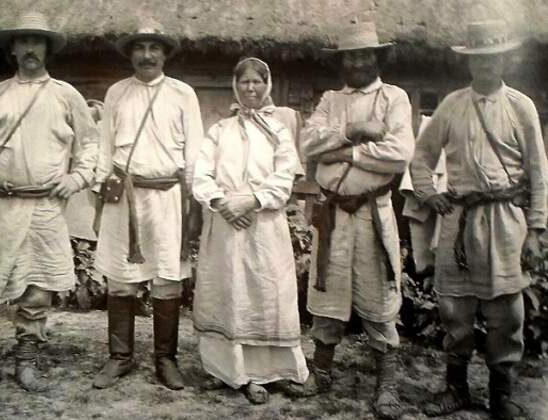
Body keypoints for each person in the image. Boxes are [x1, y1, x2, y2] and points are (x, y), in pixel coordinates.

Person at [0, 11, 98, 392]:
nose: (31, 48)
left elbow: (91, 146)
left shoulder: (65, 95)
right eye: (24, 41)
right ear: (12, 48)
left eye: (38, 41)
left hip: (43, 208)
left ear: (47, 48)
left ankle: (26, 362)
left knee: (36, 291)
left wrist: (76, 178)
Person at [410, 20, 547, 420]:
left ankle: (501, 395)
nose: (486, 65)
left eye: (494, 58)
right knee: (455, 308)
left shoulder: (521, 107)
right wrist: (429, 194)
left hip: (505, 220)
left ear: (505, 60)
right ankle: (456, 388)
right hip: (459, 220)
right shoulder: (452, 105)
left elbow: (538, 173)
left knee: (507, 311)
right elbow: (421, 158)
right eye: (478, 59)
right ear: (469, 62)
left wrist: (536, 230)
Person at [299, 18, 414, 419]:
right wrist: (354, 129)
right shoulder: (331, 100)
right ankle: (322, 371)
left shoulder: (394, 98)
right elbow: (308, 143)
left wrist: (345, 152)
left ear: (378, 58)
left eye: (365, 55)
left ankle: (387, 383)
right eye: (351, 57)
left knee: (378, 292)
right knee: (327, 291)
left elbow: (399, 154)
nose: (358, 63)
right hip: (333, 213)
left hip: (372, 212)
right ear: (342, 61)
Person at [92, 25, 204, 390]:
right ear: (130, 54)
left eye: (154, 47)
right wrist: (99, 201)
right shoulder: (117, 92)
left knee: (167, 278)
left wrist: (194, 203)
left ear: (165, 54)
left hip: (168, 198)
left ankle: (165, 359)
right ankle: (119, 357)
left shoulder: (183, 93)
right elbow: (104, 150)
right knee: (120, 278)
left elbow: (195, 152)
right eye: (139, 47)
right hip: (124, 197)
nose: (146, 55)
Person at [191, 57, 308, 404]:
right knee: (228, 294)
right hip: (224, 225)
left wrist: (253, 201)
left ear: (267, 84)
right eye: (245, 82)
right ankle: (228, 371)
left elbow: (285, 177)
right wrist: (221, 202)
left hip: (264, 225)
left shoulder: (279, 131)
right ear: (235, 85)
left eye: (257, 81)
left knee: (265, 294)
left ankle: (269, 372)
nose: (251, 88)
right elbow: (200, 173)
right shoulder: (219, 129)